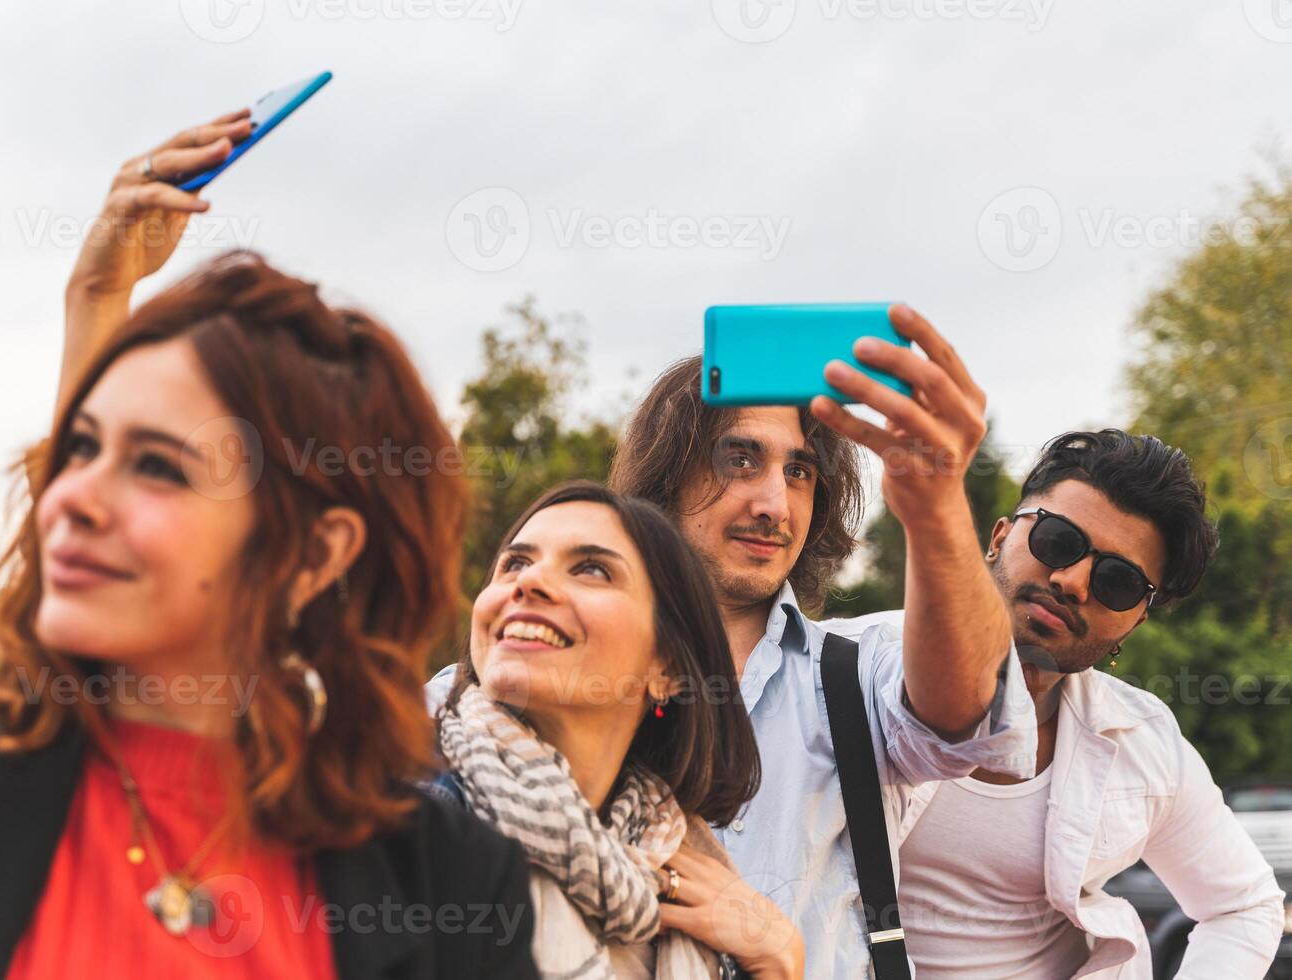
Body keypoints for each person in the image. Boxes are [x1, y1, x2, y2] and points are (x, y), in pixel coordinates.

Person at [0, 118, 538, 980]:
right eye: (79, 449)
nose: (73, 497)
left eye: (159, 468)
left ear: (317, 555)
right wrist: (94, 299)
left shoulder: (446, 880)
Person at [432, 307, 1039, 977]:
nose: (774, 504)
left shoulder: (856, 673)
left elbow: (974, 716)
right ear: (667, 474)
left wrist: (936, 505)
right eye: (739, 459)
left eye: (800, 472)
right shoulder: (481, 698)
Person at [891, 429, 1286, 978]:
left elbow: (1244, 905)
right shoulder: (838, 667)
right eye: (1057, 540)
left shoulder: (1142, 742)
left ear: (1137, 619)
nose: (1072, 582)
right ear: (1000, 535)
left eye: (1118, 582)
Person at [436, 481, 806, 979]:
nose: (528, 583)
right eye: (515, 563)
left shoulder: (695, 880)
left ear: (668, 666)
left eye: (591, 569)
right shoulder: (405, 826)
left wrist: (780, 965)